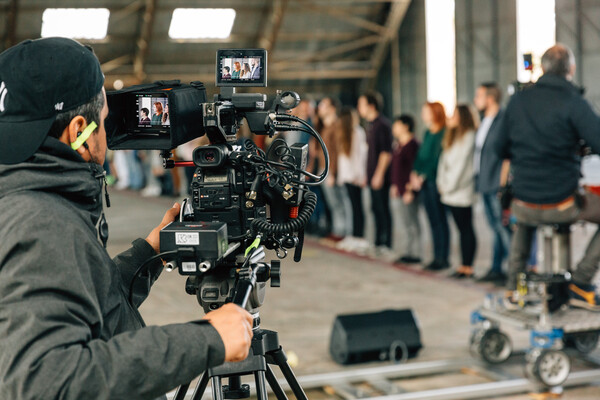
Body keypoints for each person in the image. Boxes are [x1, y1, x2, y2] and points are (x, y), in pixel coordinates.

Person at [0, 37, 253, 399]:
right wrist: (206, 339)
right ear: (78, 133)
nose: (109, 133)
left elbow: (86, 307)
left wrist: (150, 253)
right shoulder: (42, 223)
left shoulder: (25, 200)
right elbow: (46, 382)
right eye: (104, 121)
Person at [490, 43, 600, 310]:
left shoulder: (518, 101)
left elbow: (497, 147)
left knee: (526, 220)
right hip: (562, 203)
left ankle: (513, 288)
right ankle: (580, 281)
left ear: (542, 69)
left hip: (523, 203)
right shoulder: (574, 102)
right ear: (570, 70)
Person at [472, 82, 510, 285]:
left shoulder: (502, 120)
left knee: (504, 229)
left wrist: (503, 185)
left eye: (479, 96)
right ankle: (497, 268)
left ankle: (513, 271)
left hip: (496, 182)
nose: (475, 100)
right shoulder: (484, 120)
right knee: (495, 228)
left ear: (490, 98)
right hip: (484, 181)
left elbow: (507, 156)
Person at [437, 105, 478, 278]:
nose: (450, 118)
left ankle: (467, 266)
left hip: (460, 191)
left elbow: (461, 167)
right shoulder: (452, 137)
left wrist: (448, 186)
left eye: (454, 115)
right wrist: (441, 183)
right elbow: (443, 163)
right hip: (449, 191)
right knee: (460, 229)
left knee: (466, 228)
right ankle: (462, 264)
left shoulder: (469, 137)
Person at [410, 102, 450, 270]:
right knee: (432, 220)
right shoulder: (427, 133)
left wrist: (422, 175)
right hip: (424, 182)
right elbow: (421, 156)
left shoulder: (442, 133)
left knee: (440, 220)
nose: (423, 114)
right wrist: (414, 172)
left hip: (434, 181)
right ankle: (435, 256)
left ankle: (443, 257)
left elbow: (436, 158)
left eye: (426, 111)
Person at [357, 90, 393, 253]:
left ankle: (386, 243)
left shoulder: (382, 125)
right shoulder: (370, 126)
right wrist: (367, 175)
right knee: (375, 209)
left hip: (381, 177)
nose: (359, 108)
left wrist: (378, 175)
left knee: (382, 209)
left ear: (371, 106)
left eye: (361, 104)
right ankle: (378, 241)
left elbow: (386, 153)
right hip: (371, 176)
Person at [336, 106, 369, 250]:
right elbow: (343, 159)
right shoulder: (344, 133)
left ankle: (359, 236)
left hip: (355, 177)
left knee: (357, 207)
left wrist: (360, 175)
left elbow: (360, 157)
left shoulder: (358, 132)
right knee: (351, 207)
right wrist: (341, 176)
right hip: (347, 177)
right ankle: (353, 235)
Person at [390, 114, 422, 264]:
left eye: (397, 125)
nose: (394, 128)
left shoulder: (413, 145)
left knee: (412, 222)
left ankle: (415, 253)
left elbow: (413, 169)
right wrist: (395, 185)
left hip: (408, 191)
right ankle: (407, 251)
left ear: (406, 126)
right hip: (399, 190)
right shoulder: (399, 145)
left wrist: (410, 190)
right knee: (404, 223)